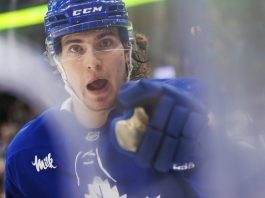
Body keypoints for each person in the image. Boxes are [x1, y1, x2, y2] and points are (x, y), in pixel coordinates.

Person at [5, 0, 211, 197]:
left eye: (105, 42)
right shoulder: (27, 151)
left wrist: (208, 149)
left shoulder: (183, 104)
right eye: (75, 48)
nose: (92, 63)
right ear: (56, 61)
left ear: (126, 49)